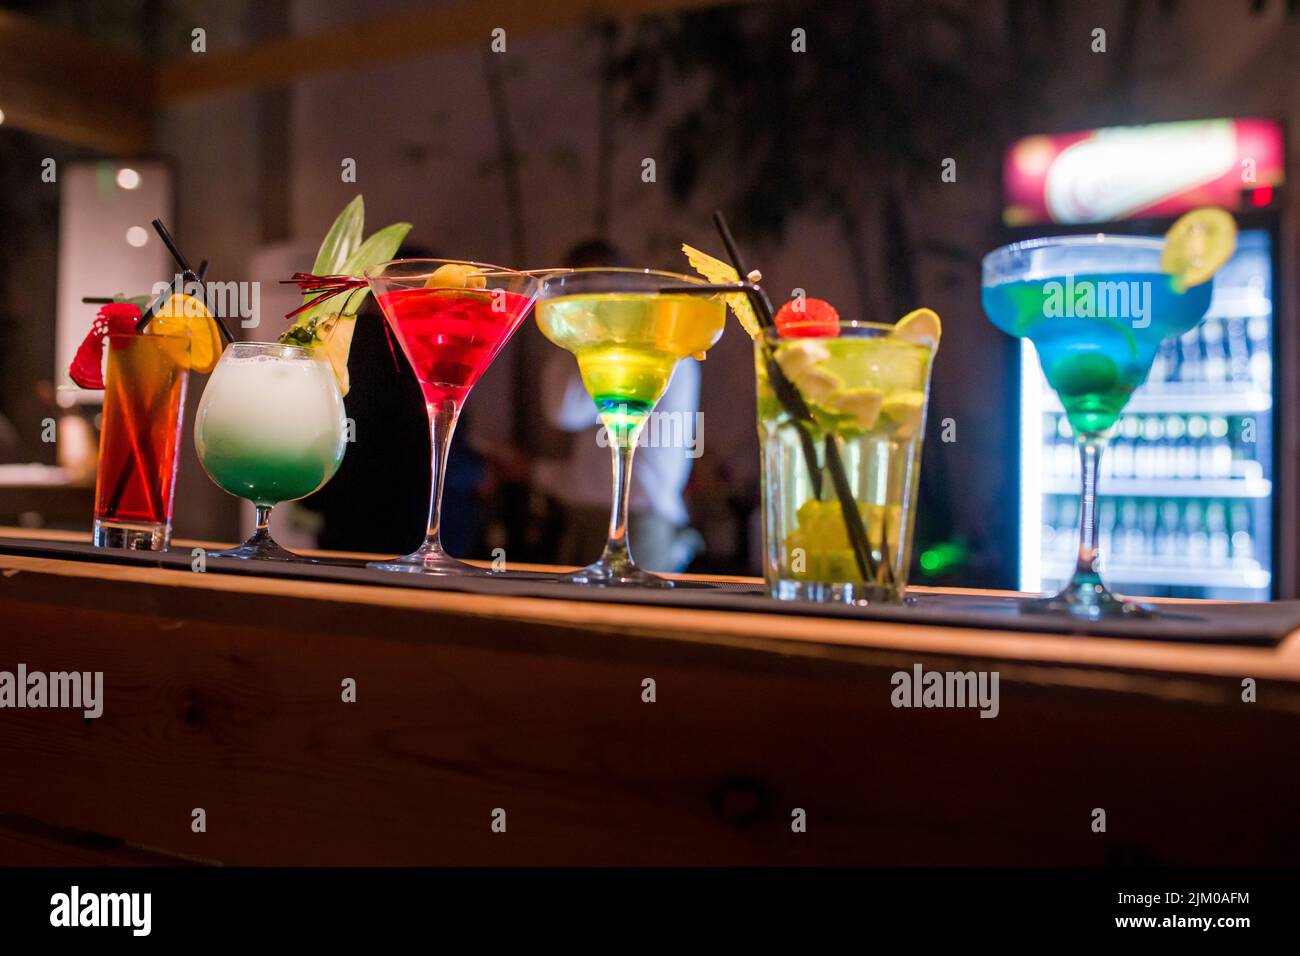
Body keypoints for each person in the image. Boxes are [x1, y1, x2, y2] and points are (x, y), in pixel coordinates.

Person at [534, 239, 702, 572]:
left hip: (642, 522)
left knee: (634, 619)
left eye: (588, 286)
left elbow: (563, 410)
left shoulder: (650, 342)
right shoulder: (606, 347)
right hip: (589, 516)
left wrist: (584, 325)